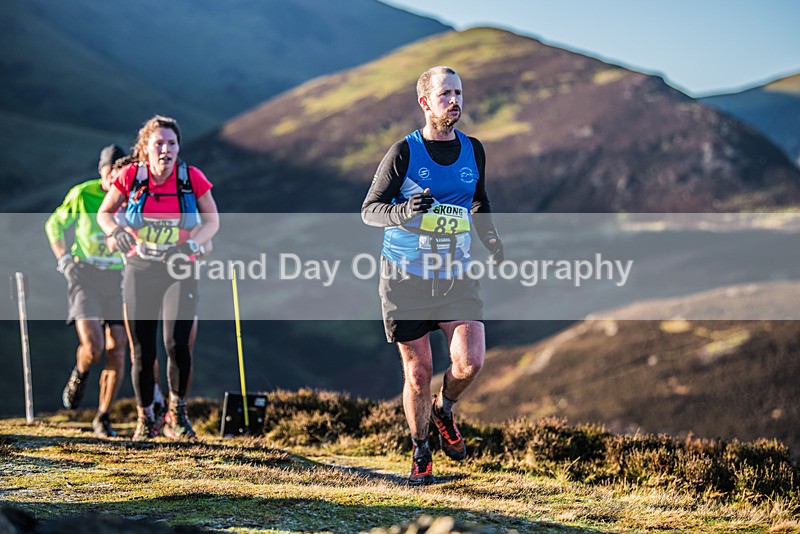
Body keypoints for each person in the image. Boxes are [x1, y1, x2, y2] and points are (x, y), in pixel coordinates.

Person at [362, 66, 504, 485]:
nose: (455, 101)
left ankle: (445, 409)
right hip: (405, 277)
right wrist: (404, 211)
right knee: (418, 371)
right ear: (425, 103)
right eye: (445, 94)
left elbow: (477, 201)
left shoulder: (473, 150)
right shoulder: (403, 153)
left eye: (458, 92)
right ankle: (421, 447)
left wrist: (491, 239)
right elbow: (370, 209)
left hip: (455, 274)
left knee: (470, 360)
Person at [97, 115, 219, 441]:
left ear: (179, 147)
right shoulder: (131, 176)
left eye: (172, 143)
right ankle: (147, 418)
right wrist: (116, 232)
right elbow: (104, 213)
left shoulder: (191, 177)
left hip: (181, 265)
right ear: (146, 147)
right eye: (159, 143)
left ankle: (176, 417)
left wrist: (192, 244)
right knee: (143, 350)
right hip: (141, 267)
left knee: (177, 344)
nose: (166, 149)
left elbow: (212, 221)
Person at [45, 144, 130, 438]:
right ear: (101, 171)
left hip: (118, 277)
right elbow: (54, 223)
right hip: (85, 274)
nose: (114, 179)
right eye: (110, 172)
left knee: (117, 348)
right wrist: (64, 259)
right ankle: (80, 373)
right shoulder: (83, 194)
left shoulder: (130, 196)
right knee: (93, 348)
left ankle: (103, 417)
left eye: (120, 173)